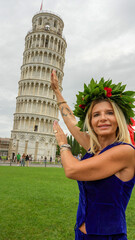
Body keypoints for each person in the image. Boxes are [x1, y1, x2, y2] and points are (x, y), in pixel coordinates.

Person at [51, 70, 135, 240]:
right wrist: (57, 92)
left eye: (109, 113)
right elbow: (72, 122)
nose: (102, 118)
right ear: (90, 122)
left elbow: (72, 170)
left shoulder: (125, 151)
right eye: (96, 115)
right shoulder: (95, 148)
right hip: (81, 233)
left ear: (118, 119)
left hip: (108, 236)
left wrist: (63, 143)